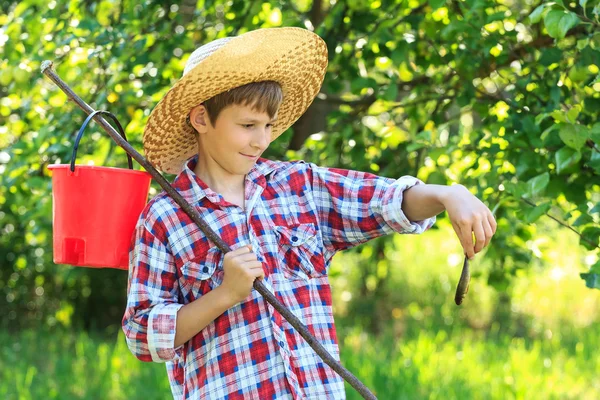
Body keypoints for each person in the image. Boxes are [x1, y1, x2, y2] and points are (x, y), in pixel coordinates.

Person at [122, 27, 496, 399]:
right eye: (247, 126)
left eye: (268, 126)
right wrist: (224, 294)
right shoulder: (166, 217)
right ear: (201, 119)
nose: (261, 140)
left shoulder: (298, 186)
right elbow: (141, 335)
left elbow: (383, 202)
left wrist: (447, 195)